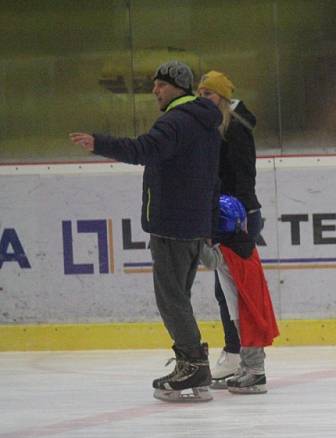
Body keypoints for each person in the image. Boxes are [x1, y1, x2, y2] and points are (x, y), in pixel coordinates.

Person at [69, 60, 222, 402]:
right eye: (155, 84)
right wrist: (208, 225)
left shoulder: (175, 122)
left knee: (171, 299)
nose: (155, 90)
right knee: (177, 297)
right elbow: (214, 178)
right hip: (192, 225)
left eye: (161, 85)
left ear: (179, 87)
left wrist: (100, 143)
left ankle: (193, 363)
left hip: (171, 224)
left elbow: (143, 150)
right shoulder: (205, 123)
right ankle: (193, 363)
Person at [195, 70, 264, 387]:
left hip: (236, 216)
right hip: (227, 215)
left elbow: (242, 175)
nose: (202, 99)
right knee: (226, 291)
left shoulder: (234, 128)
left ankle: (250, 363)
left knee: (239, 293)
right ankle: (238, 354)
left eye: (208, 94)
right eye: (200, 93)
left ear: (221, 97)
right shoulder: (217, 125)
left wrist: (238, 215)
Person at [198, 195, 279, 393]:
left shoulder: (228, 250)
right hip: (246, 301)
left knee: (248, 335)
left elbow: (210, 261)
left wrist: (197, 238)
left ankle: (256, 372)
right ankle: (246, 367)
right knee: (245, 335)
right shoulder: (243, 242)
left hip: (242, 304)